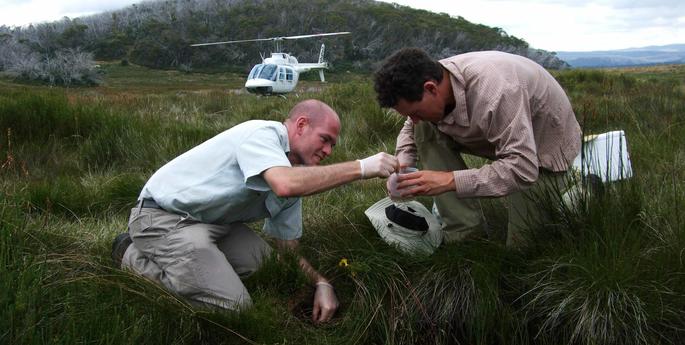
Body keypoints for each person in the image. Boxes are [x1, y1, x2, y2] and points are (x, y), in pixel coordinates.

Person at [111, 99, 398, 323]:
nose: (328, 151)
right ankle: (130, 255)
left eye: (333, 145)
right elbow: (284, 185)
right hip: (161, 218)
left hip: (214, 224)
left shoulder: (295, 174)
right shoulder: (262, 134)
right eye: (325, 139)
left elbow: (287, 247)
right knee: (233, 309)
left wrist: (322, 282)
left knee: (267, 266)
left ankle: (202, 270)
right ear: (301, 125)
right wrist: (361, 167)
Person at [373, 48, 581, 248]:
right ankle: (463, 232)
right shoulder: (434, 77)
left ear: (431, 88)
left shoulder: (497, 93)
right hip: (500, 135)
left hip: (542, 150)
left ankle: (580, 192)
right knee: (423, 129)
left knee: (522, 249)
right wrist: (403, 163)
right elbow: (412, 127)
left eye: (416, 112)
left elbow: (522, 169)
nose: (413, 120)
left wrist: (449, 180)